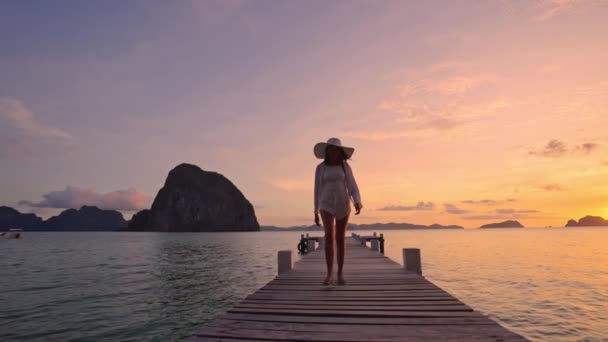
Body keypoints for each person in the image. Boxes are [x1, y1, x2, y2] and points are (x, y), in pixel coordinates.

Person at [313, 137, 362, 285]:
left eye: (335, 149)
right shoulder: (320, 168)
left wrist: (358, 201)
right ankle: (329, 275)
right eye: (331, 149)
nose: (333, 152)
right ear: (327, 151)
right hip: (325, 203)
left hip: (343, 203)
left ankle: (340, 274)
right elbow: (317, 189)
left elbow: (352, 185)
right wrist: (315, 210)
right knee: (329, 237)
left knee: (340, 239)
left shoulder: (345, 167)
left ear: (340, 152)